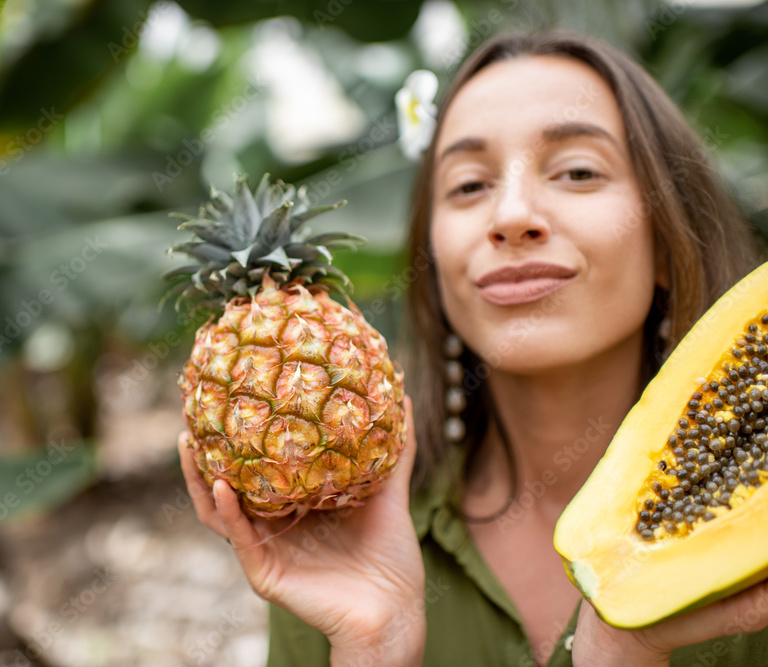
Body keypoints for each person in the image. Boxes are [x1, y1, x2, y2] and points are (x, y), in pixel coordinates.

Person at [177, 29, 768, 666]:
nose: (511, 215)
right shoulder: (333, 535)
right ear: (433, 258)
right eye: (467, 186)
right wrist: (371, 647)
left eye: (577, 171)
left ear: (667, 235)